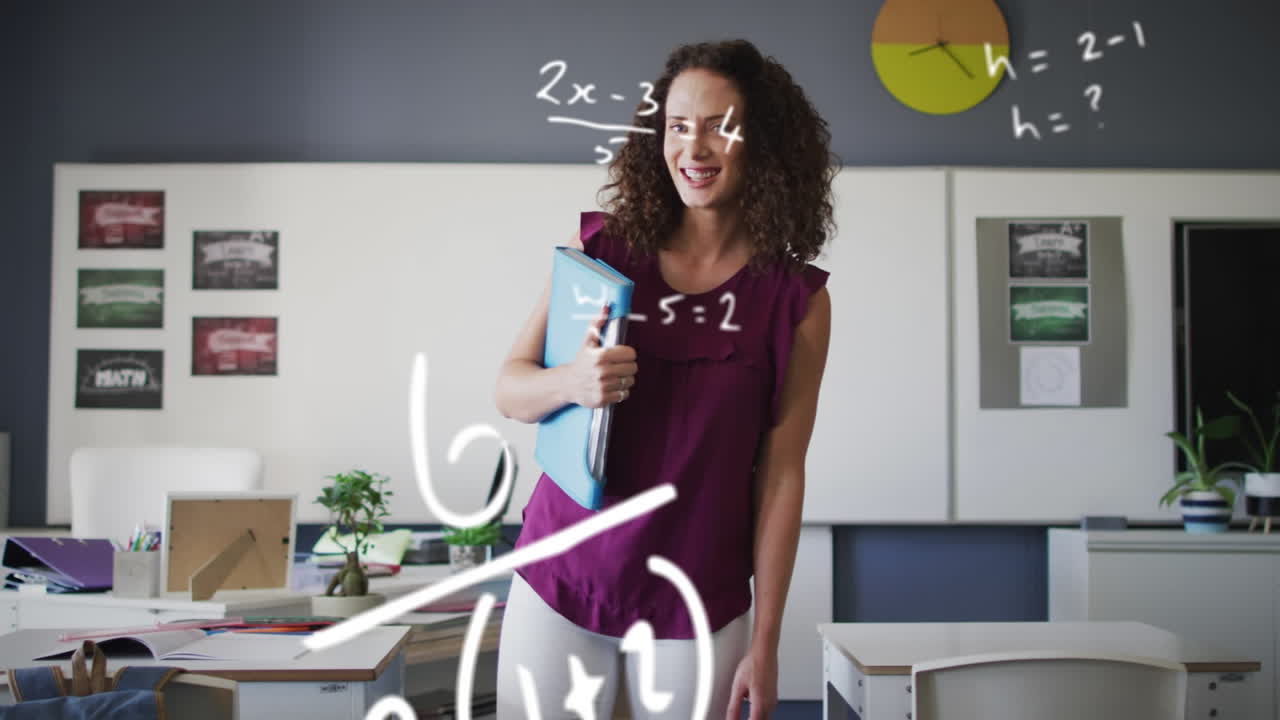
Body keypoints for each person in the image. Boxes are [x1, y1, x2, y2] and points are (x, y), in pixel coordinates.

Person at [493, 38, 836, 719]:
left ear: (764, 143)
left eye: (718, 127)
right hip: (562, 575)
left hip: (698, 602)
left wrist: (767, 642)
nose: (693, 148)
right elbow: (510, 389)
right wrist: (571, 383)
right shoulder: (604, 251)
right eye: (678, 126)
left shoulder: (796, 300)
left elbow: (782, 476)